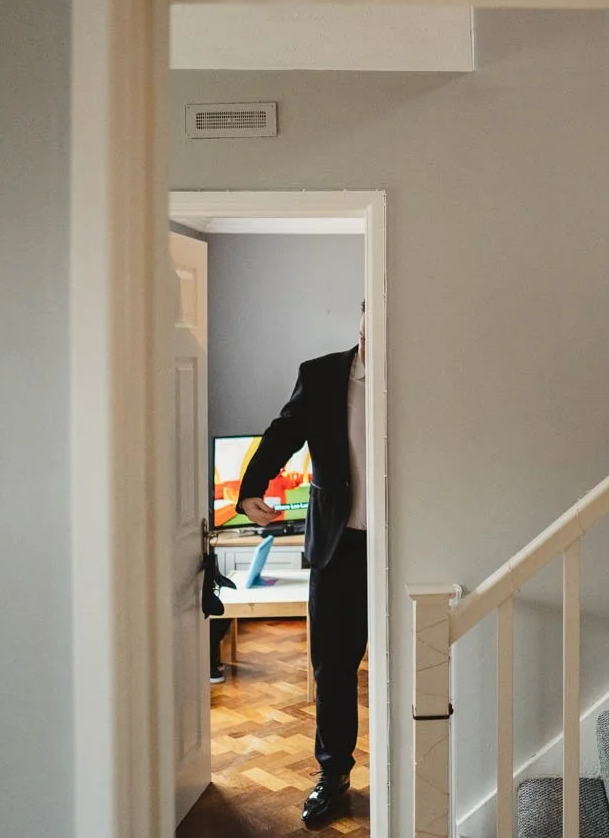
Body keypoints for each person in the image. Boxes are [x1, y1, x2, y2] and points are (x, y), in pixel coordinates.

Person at [237, 304, 370, 827]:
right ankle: (334, 776)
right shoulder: (321, 375)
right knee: (333, 670)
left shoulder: (423, 374)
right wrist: (250, 491)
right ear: (362, 322)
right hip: (339, 548)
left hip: (405, 548)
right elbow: (282, 434)